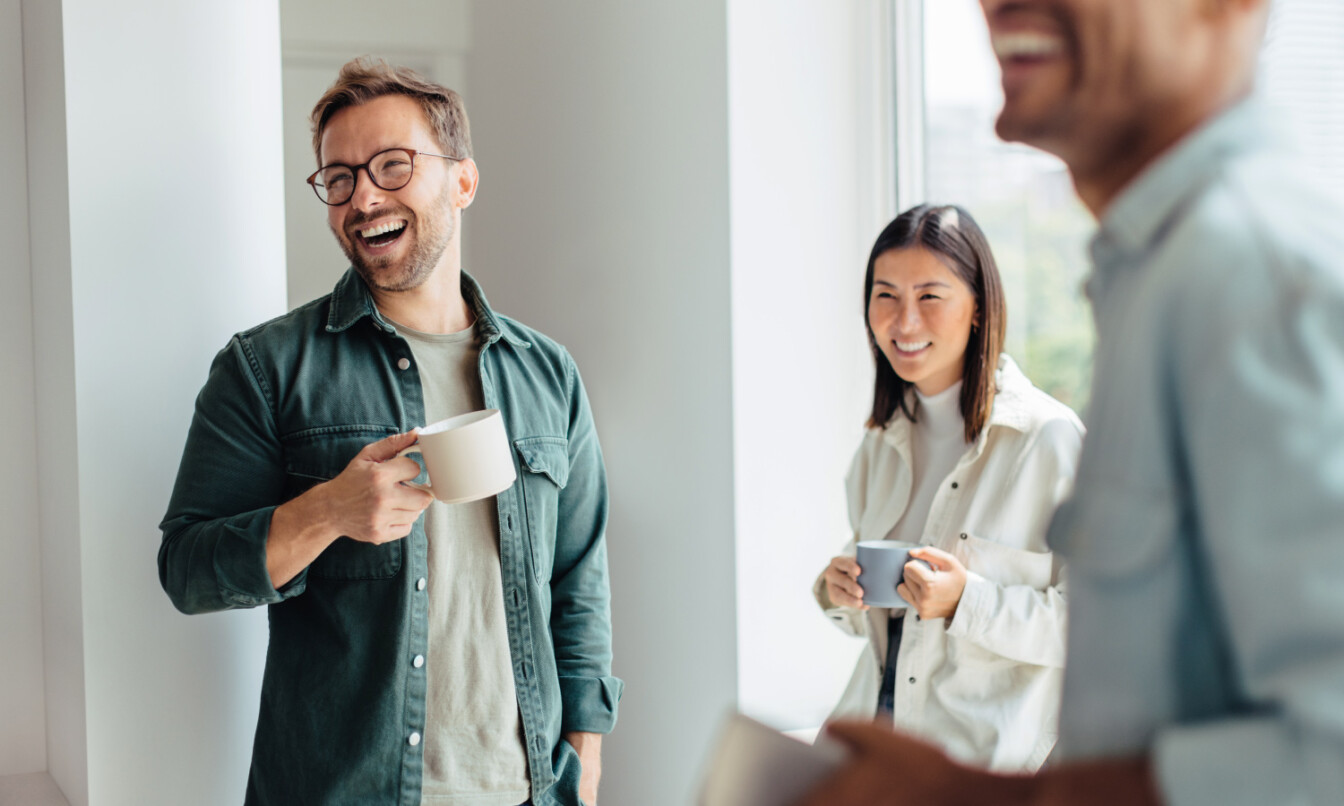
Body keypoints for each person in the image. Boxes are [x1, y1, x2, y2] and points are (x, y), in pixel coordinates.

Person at [797, 0, 1344, 803]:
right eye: (886, 295)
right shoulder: (1159, 279)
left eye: (932, 296)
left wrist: (983, 798)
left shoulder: (1255, 281)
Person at [159, 57, 621, 806]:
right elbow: (187, 570)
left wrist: (585, 758)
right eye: (338, 178)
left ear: (462, 182)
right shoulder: (266, 368)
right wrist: (329, 512)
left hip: (525, 788)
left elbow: (579, 578)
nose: (362, 195)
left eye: (392, 166)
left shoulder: (549, 374)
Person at [814, 203, 1082, 772]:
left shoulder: (1048, 440)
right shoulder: (879, 446)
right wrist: (840, 591)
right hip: (879, 747)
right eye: (885, 295)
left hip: (984, 769)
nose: (904, 322)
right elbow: (892, 628)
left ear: (979, 308)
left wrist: (968, 600)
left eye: (930, 297)